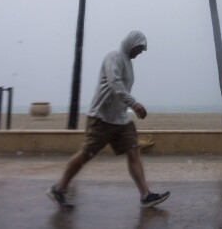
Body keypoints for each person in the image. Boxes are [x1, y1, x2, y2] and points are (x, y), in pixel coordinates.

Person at [47, 30, 170, 209]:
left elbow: (120, 90)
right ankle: (58, 188)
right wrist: (134, 103)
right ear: (131, 43)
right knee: (85, 155)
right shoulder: (114, 57)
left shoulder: (128, 63)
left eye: (142, 50)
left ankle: (146, 195)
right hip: (101, 118)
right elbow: (114, 83)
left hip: (121, 120)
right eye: (139, 48)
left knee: (133, 152)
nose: (140, 52)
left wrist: (129, 107)